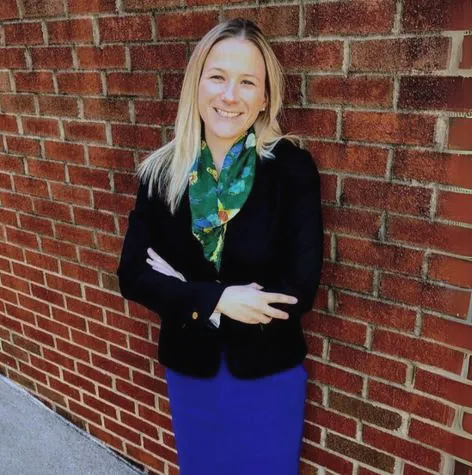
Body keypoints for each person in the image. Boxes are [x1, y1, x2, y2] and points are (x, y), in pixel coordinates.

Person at [117, 18, 324, 475]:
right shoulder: (162, 172)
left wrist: (180, 289)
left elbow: (298, 290)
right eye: (217, 77)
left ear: (265, 97)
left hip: (267, 376)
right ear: (197, 84)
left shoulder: (291, 170)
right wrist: (221, 300)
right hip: (191, 373)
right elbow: (132, 274)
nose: (229, 95)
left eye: (247, 81)